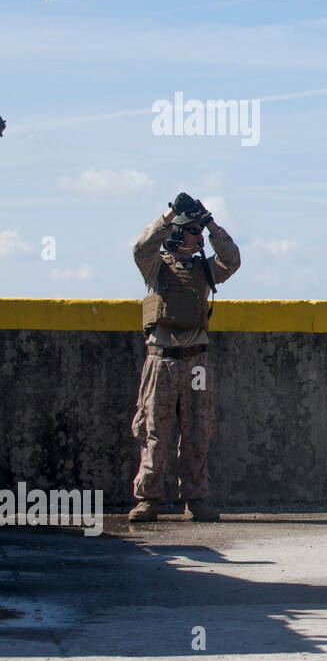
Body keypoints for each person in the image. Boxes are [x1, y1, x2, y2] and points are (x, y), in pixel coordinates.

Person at [127, 192, 241, 522]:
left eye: (199, 231)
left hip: (196, 362)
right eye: (192, 230)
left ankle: (196, 497)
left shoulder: (205, 270)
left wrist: (211, 223)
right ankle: (148, 498)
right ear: (176, 232)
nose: (198, 236)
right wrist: (169, 215)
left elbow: (232, 260)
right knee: (154, 430)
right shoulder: (156, 267)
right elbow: (141, 248)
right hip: (161, 360)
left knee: (198, 430)